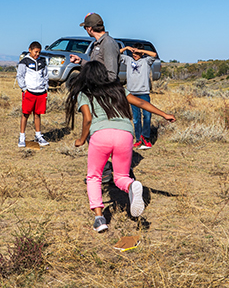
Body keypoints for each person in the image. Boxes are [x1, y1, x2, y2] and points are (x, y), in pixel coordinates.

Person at [65, 60, 175, 233]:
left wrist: (81, 139)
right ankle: (131, 186)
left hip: (101, 135)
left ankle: (100, 219)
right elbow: (140, 103)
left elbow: (87, 119)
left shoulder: (84, 94)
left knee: (94, 176)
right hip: (125, 134)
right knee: (121, 176)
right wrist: (164, 114)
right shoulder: (118, 89)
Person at [119, 45, 158, 150]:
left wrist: (140, 50)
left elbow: (154, 54)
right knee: (136, 119)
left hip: (144, 93)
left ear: (141, 53)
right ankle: (138, 139)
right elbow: (116, 54)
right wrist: (126, 48)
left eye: (137, 53)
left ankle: (145, 137)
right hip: (132, 94)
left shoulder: (146, 61)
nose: (134, 55)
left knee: (147, 116)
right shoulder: (128, 60)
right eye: (133, 53)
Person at [16, 41, 50, 147]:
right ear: (30, 50)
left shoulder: (42, 62)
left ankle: (38, 136)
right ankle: (22, 137)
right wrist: (24, 88)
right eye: (35, 52)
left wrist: (45, 88)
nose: (37, 54)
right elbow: (20, 76)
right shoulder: (24, 62)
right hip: (29, 92)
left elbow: (46, 76)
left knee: (37, 114)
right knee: (25, 114)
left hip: (40, 92)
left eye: (39, 52)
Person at [69, 13, 120, 82]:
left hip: (105, 89)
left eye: (85, 28)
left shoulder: (108, 43)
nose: (86, 30)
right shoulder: (97, 43)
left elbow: (111, 75)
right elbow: (95, 67)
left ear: (89, 28)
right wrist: (81, 61)